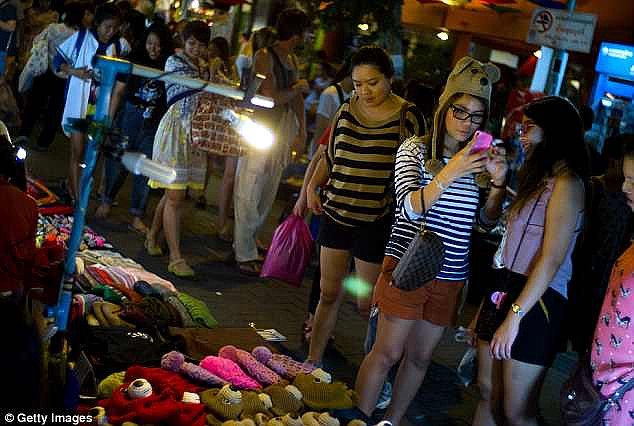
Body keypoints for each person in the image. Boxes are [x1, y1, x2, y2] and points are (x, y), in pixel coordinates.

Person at [345, 57, 503, 425]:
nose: (466, 124)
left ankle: (393, 421)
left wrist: (495, 186)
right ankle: (358, 418)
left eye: (477, 117)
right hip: (408, 265)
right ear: (445, 108)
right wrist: (450, 171)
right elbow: (408, 208)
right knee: (386, 352)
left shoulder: (479, 162)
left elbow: (484, 223)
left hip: (450, 274)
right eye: (460, 112)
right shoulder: (414, 149)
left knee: (419, 358)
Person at [305, 45, 425, 368]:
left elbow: (416, 170)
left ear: (389, 78)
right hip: (335, 216)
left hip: (375, 222)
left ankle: (376, 366)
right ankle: (313, 359)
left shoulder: (408, 116)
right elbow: (330, 156)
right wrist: (314, 187)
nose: (364, 90)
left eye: (372, 82)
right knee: (328, 293)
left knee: (367, 303)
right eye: (358, 84)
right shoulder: (345, 110)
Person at [473, 96, 589, 425]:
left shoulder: (568, 185)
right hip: (505, 284)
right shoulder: (536, 177)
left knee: (516, 409)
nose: (521, 133)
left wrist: (514, 316)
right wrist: (499, 180)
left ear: (552, 131)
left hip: (541, 298)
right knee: (487, 391)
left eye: (529, 127)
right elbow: (505, 235)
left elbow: (551, 259)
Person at [232, 8, 310, 275]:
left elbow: (294, 98)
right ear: (297, 34)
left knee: (268, 187)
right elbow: (271, 95)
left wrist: (302, 132)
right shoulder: (264, 56)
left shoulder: (293, 59)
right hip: (259, 126)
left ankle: (251, 239)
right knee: (249, 186)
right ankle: (243, 250)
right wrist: (297, 89)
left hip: (281, 130)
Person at [293, 56, 353, 342]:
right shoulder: (344, 114)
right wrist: (306, 194)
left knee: (340, 276)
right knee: (325, 273)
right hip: (329, 205)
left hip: (360, 214)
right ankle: (312, 320)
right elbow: (318, 158)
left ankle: (321, 323)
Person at [145, 20, 210, 278]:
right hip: (174, 133)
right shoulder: (174, 62)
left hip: (191, 136)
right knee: (176, 198)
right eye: (192, 43)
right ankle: (175, 257)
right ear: (183, 41)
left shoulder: (202, 67)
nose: (196, 48)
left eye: (201, 45)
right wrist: (211, 75)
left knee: (174, 194)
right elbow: (194, 86)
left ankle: (151, 237)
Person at [94, 23, 173, 234]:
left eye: (158, 45)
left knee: (145, 169)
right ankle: (106, 202)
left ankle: (137, 215)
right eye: (150, 43)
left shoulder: (170, 65)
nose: (153, 49)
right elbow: (118, 92)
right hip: (130, 115)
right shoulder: (133, 59)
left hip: (153, 122)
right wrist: (108, 120)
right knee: (117, 161)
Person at [53, 3, 130, 202]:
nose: (110, 31)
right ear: (97, 24)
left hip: (99, 110)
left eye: (115, 27)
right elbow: (56, 60)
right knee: (77, 153)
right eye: (107, 26)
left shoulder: (120, 46)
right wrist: (73, 71)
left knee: (91, 157)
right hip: (78, 106)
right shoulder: (81, 38)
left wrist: (109, 116)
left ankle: (75, 190)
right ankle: (79, 202)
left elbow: (121, 83)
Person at [568, 133, 634, 354]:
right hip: (590, 272)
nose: (626, 185)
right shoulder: (594, 188)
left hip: (612, 273)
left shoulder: (627, 198)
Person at [590, 135, 634, 425]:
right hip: (607, 386)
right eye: (626, 178)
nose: (626, 187)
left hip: (625, 397)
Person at [19, 1, 93, 151]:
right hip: (65, 77)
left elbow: (37, 40)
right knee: (54, 110)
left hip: (46, 71)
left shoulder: (54, 28)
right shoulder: (79, 36)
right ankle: (44, 142)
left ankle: (24, 134)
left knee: (34, 104)